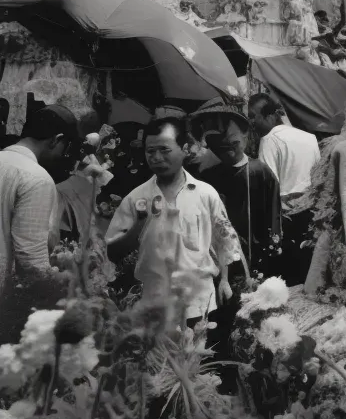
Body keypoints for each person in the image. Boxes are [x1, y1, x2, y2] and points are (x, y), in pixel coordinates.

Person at [105, 117, 245, 325]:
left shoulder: (205, 195)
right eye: (150, 151)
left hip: (199, 305)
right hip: (153, 307)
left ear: (184, 149)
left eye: (164, 149)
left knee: (196, 356)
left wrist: (224, 280)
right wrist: (140, 225)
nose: (156, 157)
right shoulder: (136, 199)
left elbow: (225, 242)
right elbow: (112, 251)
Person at [198, 104, 283, 348]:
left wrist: (269, 255)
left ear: (246, 135)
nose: (228, 152)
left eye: (233, 144)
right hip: (219, 261)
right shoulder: (209, 176)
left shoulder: (259, 172)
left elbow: (272, 219)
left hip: (253, 258)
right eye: (220, 148)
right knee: (219, 318)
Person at [0, 105, 79, 345]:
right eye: (66, 148)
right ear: (57, 140)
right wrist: (61, 298)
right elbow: (30, 258)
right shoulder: (36, 178)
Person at [248, 93, 320, 284]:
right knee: (308, 269)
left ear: (270, 115)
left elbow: (267, 185)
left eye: (253, 116)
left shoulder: (269, 140)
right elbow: (318, 177)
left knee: (286, 276)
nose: (251, 122)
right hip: (313, 212)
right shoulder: (310, 137)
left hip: (287, 218)